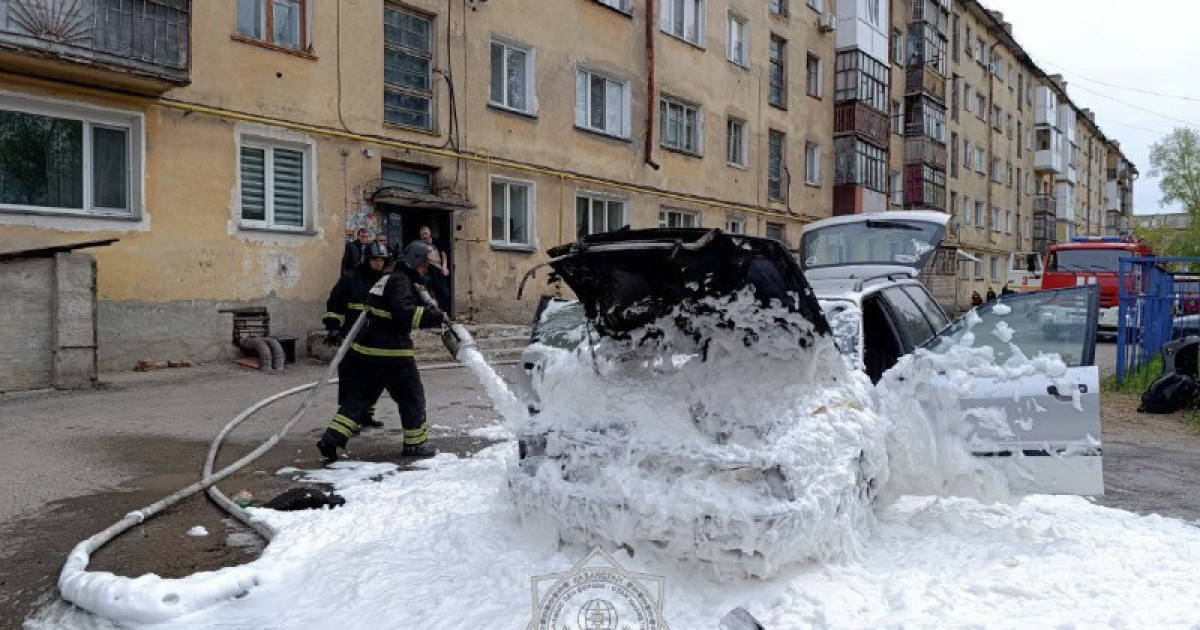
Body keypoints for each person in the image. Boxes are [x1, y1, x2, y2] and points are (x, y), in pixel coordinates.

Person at [317, 241, 445, 462]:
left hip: (369, 351)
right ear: (414, 261)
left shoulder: (387, 279)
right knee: (412, 397)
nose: (426, 270)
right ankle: (415, 445)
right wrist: (433, 317)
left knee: (360, 397)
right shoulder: (400, 282)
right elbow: (403, 313)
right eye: (424, 265)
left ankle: (331, 439)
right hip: (393, 354)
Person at [322, 241, 390, 430]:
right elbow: (334, 305)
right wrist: (333, 327)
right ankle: (347, 420)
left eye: (382, 261)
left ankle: (366, 414)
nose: (378, 264)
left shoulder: (385, 281)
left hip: (375, 337)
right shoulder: (350, 279)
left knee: (373, 377)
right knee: (350, 379)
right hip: (351, 337)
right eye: (375, 260)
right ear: (367, 260)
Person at [414, 225, 451, 312]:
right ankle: (432, 314)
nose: (424, 236)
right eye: (422, 234)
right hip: (426, 271)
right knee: (426, 293)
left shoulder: (437, 242)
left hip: (438, 269)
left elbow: (443, 254)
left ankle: (445, 313)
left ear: (430, 233)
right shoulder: (419, 244)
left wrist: (444, 266)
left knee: (445, 293)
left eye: (426, 233)